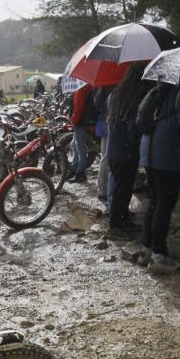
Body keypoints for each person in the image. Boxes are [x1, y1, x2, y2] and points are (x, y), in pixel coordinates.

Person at [137, 82, 180, 272]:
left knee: (154, 200)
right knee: (164, 203)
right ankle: (159, 254)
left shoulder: (161, 87)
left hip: (149, 148)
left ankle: (146, 249)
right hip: (167, 151)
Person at [104, 65, 149, 237]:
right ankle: (116, 224)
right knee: (123, 189)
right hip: (126, 152)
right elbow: (132, 128)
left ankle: (122, 220)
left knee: (120, 189)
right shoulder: (134, 99)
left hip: (114, 150)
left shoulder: (115, 95)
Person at [67, 83, 97, 183]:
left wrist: (73, 120)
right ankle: (75, 169)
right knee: (76, 146)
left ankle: (80, 172)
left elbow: (79, 108)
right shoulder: (86, 87)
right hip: (83, 121)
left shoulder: (81, 89)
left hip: (80, 122)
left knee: (80, 148)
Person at [94, 86, 113, 206]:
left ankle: (102, 189)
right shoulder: (109, 87)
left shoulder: (101, 86)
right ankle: (103, 189)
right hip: (107, 123)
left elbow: (97, 103)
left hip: (103, 122)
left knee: (105, 157)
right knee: (106, 158)